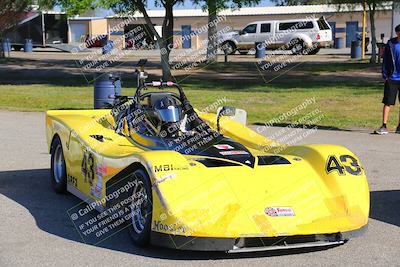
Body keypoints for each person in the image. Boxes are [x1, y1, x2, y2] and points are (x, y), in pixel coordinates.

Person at [375, 24, 400, 135]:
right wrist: (385, 75)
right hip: (392, 78)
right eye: (399, 32)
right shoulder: (391, 43)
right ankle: (384, 126)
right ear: (397, 33)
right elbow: (385, 60)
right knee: (387, 102)